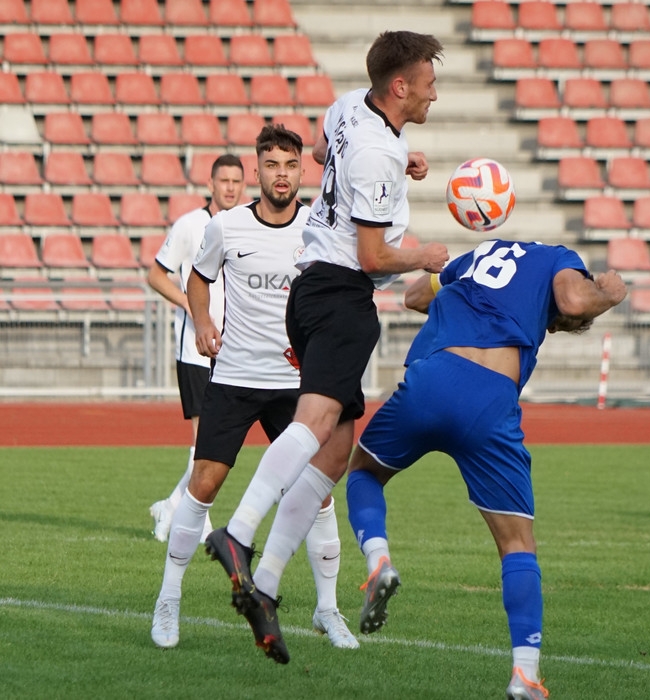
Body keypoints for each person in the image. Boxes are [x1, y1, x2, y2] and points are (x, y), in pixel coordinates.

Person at [202, 30, 450, 664]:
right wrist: (423, 254)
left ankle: (265, 587)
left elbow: (321, 151)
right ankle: (238, 534)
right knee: (314, 426)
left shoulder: (350, 107)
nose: (434, 93)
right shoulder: (375, 151)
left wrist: (400, 161)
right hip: (340, 292)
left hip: (313, 288)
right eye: (428, 82)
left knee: (336, 453)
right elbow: (373, 257)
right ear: (400, 85)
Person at [346, 239, 628, 700]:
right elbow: (574, 300)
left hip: (432, 376)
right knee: (517, 544)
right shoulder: (560, 259)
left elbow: (413, 296)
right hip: (490, 398)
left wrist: (459, 290)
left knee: (363, 472)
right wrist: (610, 294)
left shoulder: (479, 255)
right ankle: (525, 676)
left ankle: (379, 560)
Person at [151, 125, 359, 654]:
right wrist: (202, 321)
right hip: (236, 377)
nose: (281, 175)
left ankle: (328, 609)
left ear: (302, 171)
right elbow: (198, 278)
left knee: (317, 495)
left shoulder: (319, 226)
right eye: (271, 165)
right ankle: (168, 599)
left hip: (298, 385)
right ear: (257, 171)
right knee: (203, 485)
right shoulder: (227, 226)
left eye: (290, 165)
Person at [147, 154, 246, 543]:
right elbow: (156, 275)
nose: (230, 188)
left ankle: (171, 506)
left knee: (218, 440)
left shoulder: (245, 224)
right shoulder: (190, 225)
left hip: (234, 349)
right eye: (224, 180)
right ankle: (199, 523)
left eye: (236, 181)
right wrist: (189, 303)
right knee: (206, 440)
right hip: (195, 348)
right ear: (211, 184)